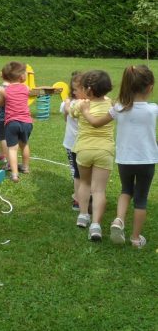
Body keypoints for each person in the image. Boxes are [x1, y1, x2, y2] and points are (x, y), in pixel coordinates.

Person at [81, 65, 157, 248]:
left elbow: (96, 123)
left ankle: (118, 220)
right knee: (141, 198)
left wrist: (85, 111)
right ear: (150, 88)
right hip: (146, 160)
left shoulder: (118, 108)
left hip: (124, 160)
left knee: (126, 190)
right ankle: (135, 238)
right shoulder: (153, 109)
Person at [69, 70, 114, 241]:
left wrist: (70, 105)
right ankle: (96, 224)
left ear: (87, 89)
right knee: (99, 189)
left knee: (85, 183)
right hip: (105, 151)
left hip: (84, 150)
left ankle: (82, 215)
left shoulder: (81, 105)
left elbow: (70, 112)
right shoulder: (111, 104)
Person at [0, 62, 33, 183]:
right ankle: (26, 168)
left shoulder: (5, 90)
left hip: (12, 123)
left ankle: (15, 174)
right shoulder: (26, 88)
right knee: (25, 144)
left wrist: (0, 95)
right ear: (21, 76)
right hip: (27, 122)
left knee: (12, 149)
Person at [61, 72, 83, 211]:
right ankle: (80, 196)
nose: (75, 92)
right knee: (79, 172)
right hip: (73, 143)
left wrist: (68, 105)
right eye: (73, 89)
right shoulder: (92, 104)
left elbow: (66, 116)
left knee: (78, 172)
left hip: (80, 144)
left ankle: (79, 197)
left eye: (77, 89)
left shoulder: (70, 104)